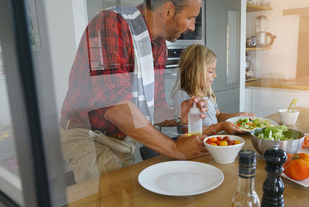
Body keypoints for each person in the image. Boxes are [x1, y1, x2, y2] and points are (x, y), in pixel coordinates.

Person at [60, 0, 208, 183]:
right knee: (109, 206)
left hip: (123, 139)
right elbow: (117, 109)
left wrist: (179, 114)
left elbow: (155, 109)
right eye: (190, 17)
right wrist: (175, 149)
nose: (192, 27)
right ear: (168, 10)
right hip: (89, 136)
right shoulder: (109, 24)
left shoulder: (159, 46)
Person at [171, 44, 254, 135]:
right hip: (196, 148)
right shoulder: (183, 96)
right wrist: (221, 127)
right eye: (211, 71)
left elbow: (217, 115)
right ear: (193, 71)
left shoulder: (205, 92)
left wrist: (237, 116)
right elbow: (188, 132)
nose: (215, 75)